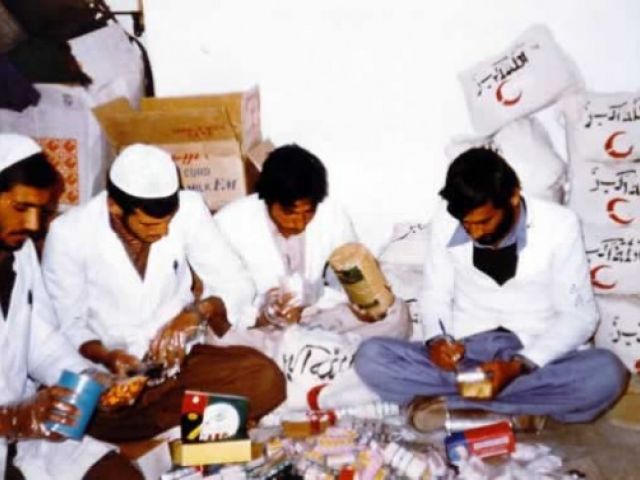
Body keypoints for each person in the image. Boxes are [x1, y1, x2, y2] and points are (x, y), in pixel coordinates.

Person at [354, 147, 628, 431]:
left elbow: (579, 316)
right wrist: (437, 341)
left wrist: (518, 366)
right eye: (467, 224)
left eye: (484, 221)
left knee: (607, 374)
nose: (475, 233)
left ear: (513, 197)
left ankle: (458, 408)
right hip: (468, 355)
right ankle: (514, 413)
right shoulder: (447, 220)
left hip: (533, 356)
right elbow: (435, 293)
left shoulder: (559, 225)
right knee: (371, 358)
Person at [42, 143, 285, 442]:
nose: (162, 232)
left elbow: (236, 282)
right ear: (115, 207)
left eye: (168, 221)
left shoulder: (189, 209)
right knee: (70, 415)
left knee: (266, 380)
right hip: (112, 377)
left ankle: (153, 431)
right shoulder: (69, 233)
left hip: (177, 369)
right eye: (149, 224)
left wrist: (197, 312)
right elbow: (67, 324)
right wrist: (108, 357)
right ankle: (180, 425)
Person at [213, 144, 411, 410]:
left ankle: (308, 365)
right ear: (267, 200)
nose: (299, 223)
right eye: (290, 213)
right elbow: (222, 300)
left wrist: (358, 302)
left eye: (308, 213)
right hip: (262, 328)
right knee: (218, 339)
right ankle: (332, 365)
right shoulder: (230, 223)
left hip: (317, 316)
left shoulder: (331, 215)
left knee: (396, 313)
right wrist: (264, 313)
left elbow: (346, 275)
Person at [0, 133, 142, 479]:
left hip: (25, 435)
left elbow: (42, 343)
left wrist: (93, 379)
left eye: (41, 211)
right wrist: (10, 419)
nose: (33, 225)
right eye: (21, 208)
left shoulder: (21, 253)